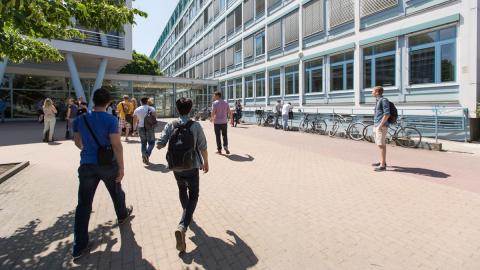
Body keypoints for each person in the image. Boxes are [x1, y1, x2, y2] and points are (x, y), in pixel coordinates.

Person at [72, 87, 133, 260]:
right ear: (108, 103)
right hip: (107, 165)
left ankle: (79, 246)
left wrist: (88, 150)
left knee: (83, 205)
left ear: (93, 101)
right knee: (116, 192)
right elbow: (116, 145)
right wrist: (121, 167)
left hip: (87, 165)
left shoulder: (80, 118)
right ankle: (122, 216)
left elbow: (77, 141)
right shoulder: (111, 119)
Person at [156, 97, 209, 253]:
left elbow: (160, 144)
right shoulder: (196, 126)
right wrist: (206, 162)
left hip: (175, 166)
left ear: (177, 109)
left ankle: (187, 215)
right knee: (194, 195)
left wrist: (158, 144)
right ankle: (183, 225)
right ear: (190, 109)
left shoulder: (170, 125)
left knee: (181, 190)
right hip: (192, 165)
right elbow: (203, 146)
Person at [372, 86, 391, 172]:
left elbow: (387, 114)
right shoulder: (378, 100)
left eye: (373, 91)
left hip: (381, 126)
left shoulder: (383, 100)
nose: (371, 93)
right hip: (377, 125)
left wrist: (380, 125)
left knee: (381, 145)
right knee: (380, 144)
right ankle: (382, 161)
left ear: (377, 92)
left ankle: (382, 165)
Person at [133, 97, 157, 165]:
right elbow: (155, 118)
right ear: (147, 102)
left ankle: (144, 156)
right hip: (150, 127)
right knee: (152, 143)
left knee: (143, 143)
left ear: (140, 102)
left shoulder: (137, 109)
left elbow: (134, 120)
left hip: (141, 128)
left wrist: (134, 129)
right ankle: (147, 154)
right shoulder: (151, 108)